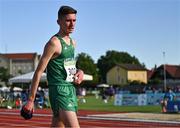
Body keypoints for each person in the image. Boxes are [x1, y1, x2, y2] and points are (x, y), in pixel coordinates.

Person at [24, 5, 84, 127]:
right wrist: (31, 100)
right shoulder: (54, 43)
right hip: (59, 91)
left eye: (74, 20)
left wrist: (80, 72)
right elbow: (39, 71)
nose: (72, 24)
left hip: (70, 90)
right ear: (58, 21)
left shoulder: (73, 42)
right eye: (68, 20)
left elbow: (70, 67)